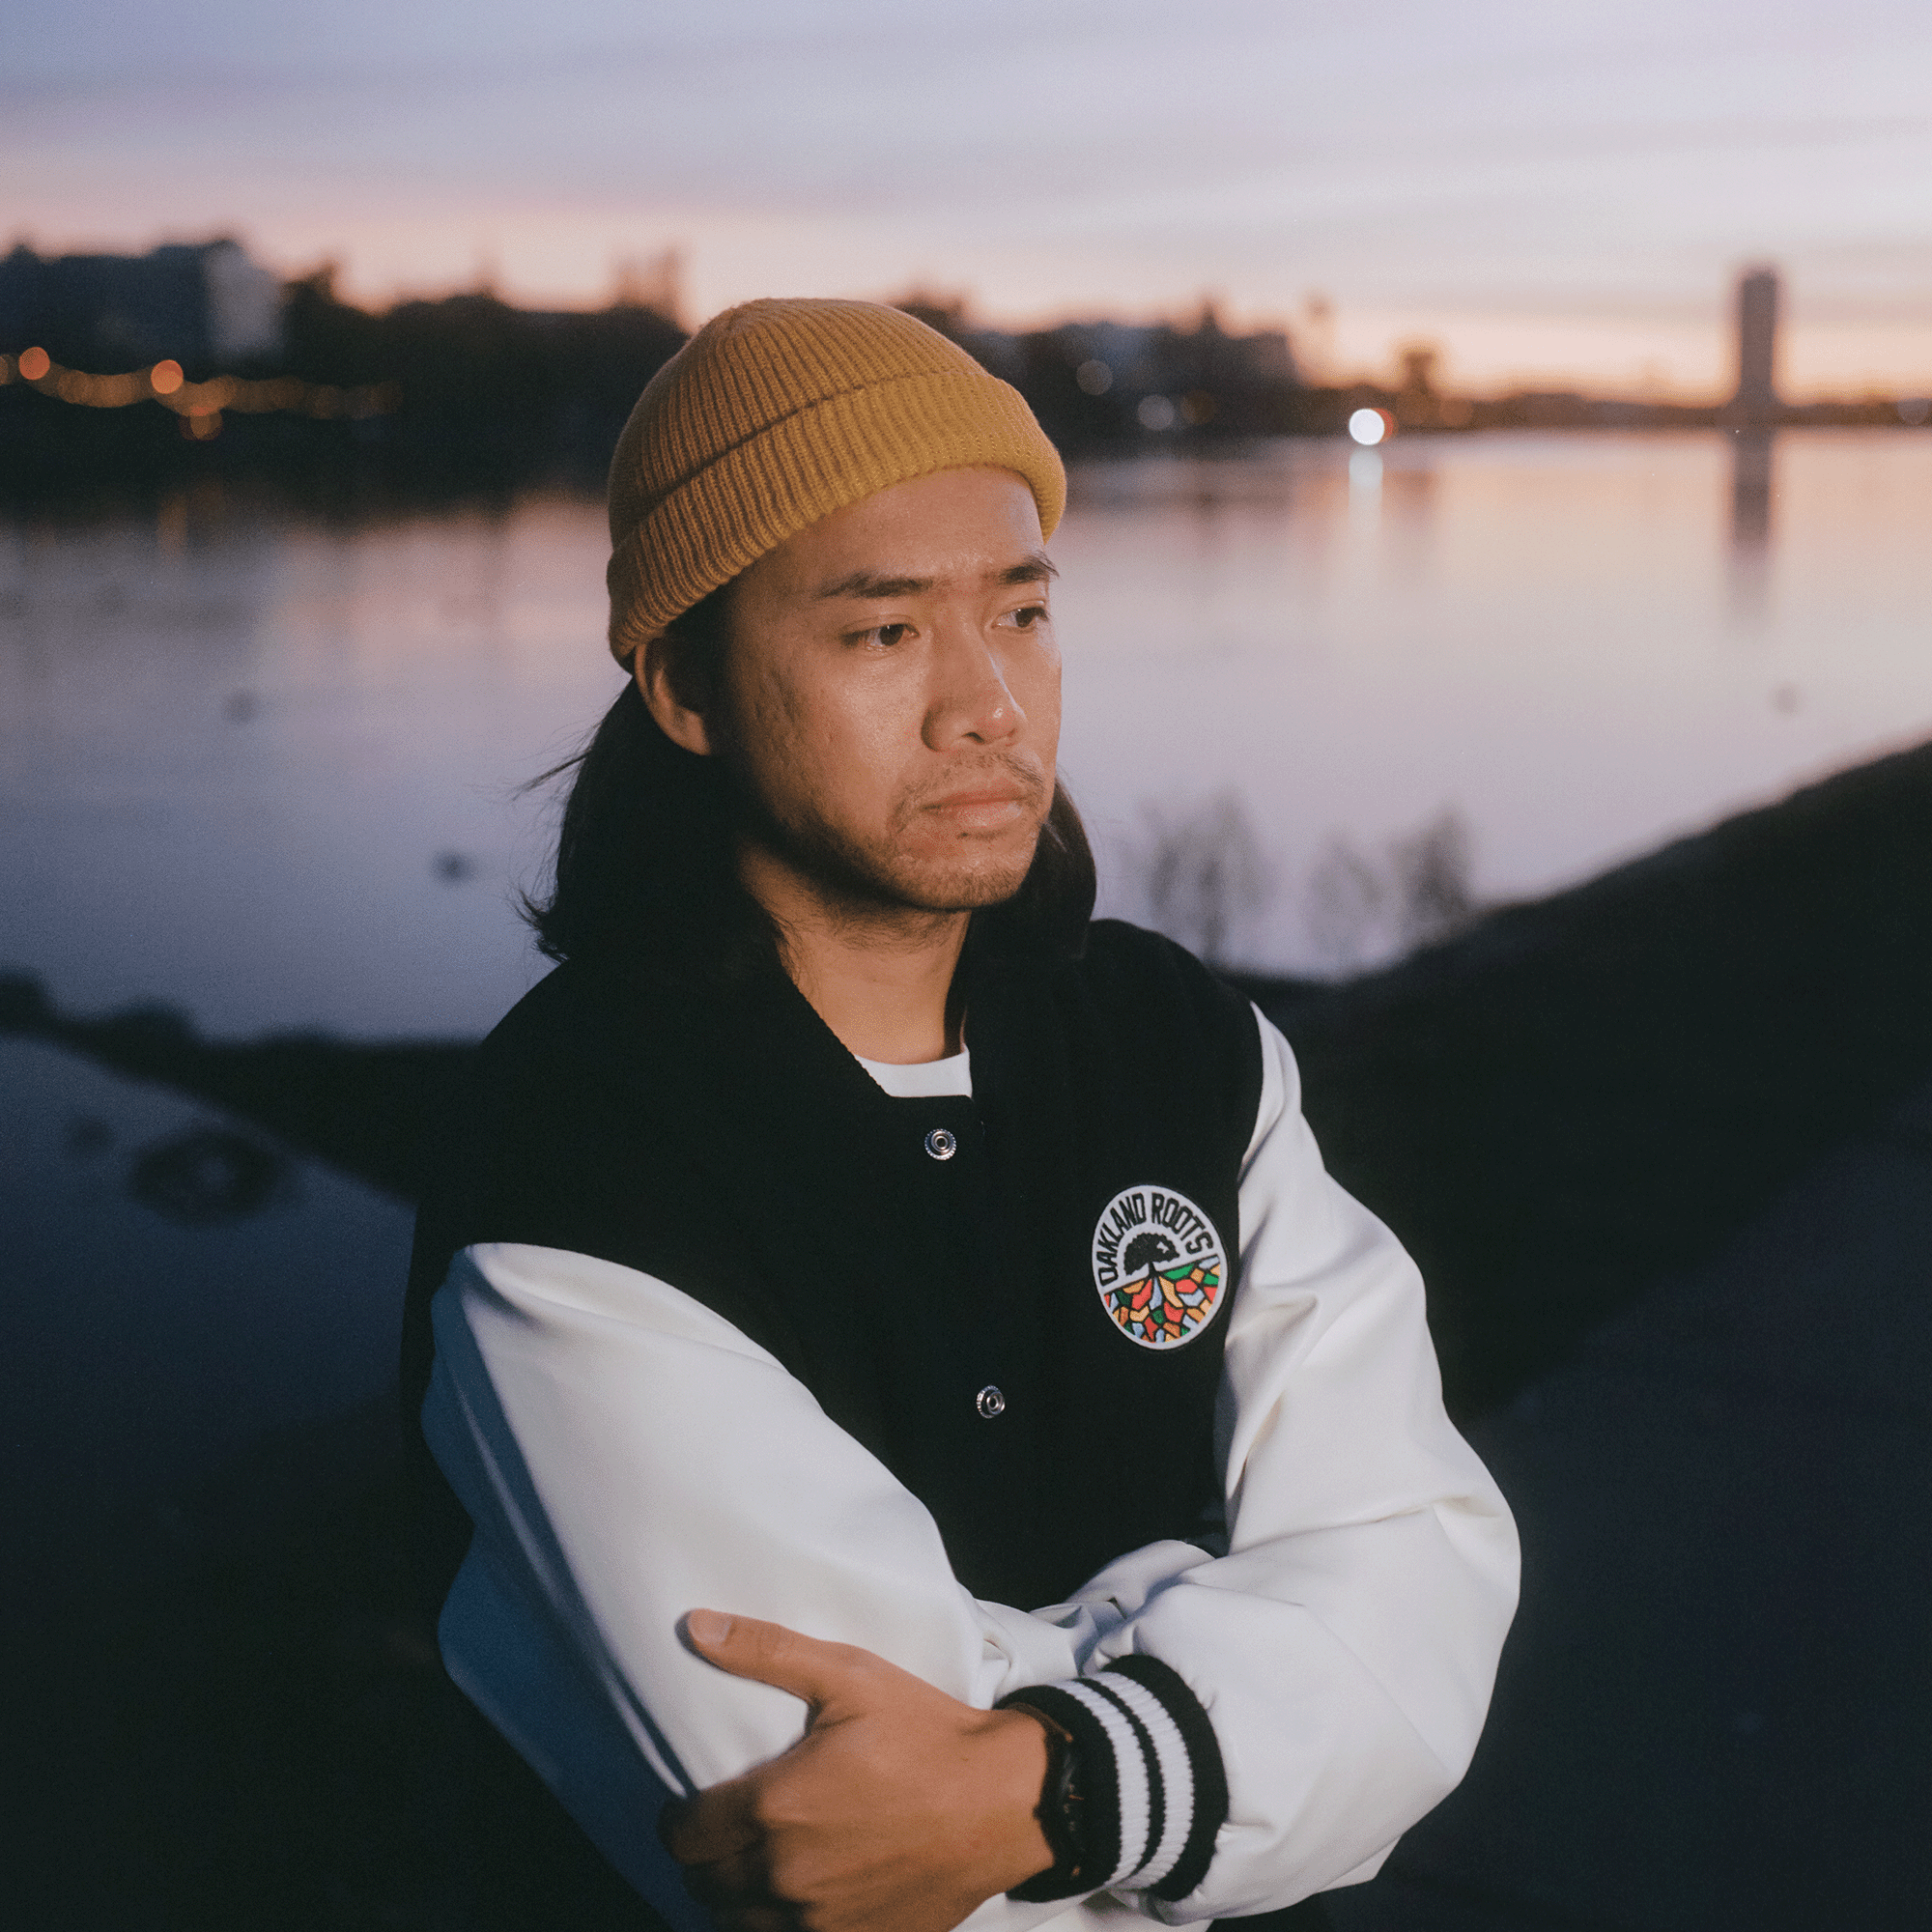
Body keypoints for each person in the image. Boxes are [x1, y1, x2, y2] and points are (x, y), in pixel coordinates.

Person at [402, 298, 1518, 1932]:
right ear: (687, 685)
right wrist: (1211, 1649)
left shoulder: (1178, 1046)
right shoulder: (585, 1160)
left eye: (1023, 611)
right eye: (882, 632)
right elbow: (847, 1833)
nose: (989, 706)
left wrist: (1060, 1774)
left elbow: (1418, 1573)